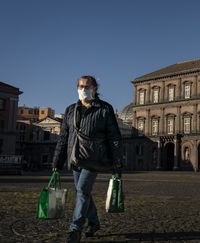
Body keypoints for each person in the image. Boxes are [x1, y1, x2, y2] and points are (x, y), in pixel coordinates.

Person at [52, 75, 122, 243]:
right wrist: (57, 161)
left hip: (93, 158)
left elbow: (114, 137)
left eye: (87, 86)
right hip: (74, 158)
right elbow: (63, 138)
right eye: (80, 86)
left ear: (95, 88)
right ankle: (94, 222)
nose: (83, 89)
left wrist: (116, 161)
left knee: (82, 190)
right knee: (82, 192)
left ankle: (75, 228)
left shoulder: (105, 109)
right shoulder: (70, 110)